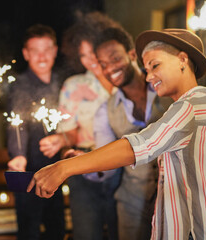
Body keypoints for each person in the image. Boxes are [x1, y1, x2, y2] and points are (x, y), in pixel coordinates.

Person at [28, 28, 206, 240]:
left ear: (183, 59)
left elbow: (138, 145)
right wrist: (83, 159)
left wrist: (63, 168)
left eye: (155, 65)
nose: (149, 77)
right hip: (146, 204)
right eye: (148, 69)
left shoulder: (187, 108)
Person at [38, 11, 121, 240]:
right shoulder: (73, 86)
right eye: (83, 55)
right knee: (86, 232)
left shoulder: (124, 80)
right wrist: (61, 140)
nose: (90, 59)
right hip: (82, 166)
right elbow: (70, 135)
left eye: (93, 51)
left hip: (123, 168)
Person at [92, 26, 172, 240]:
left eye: (115, 58)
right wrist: (83, 162)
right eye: (103, 64)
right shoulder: (105, 110)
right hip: (131, 202)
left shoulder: (168, 88)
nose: (110, 68)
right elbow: (106, 165)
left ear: (131, 55)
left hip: (174, 197)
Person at [6, 24, 65, 240]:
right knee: (29, 230)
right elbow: (16, 123)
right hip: (30, 172)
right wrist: (18, 155)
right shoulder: (21, 85)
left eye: (47, 49)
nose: (42, 56)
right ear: (25, 54)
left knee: (56, 227)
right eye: (35, 50)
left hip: (60, 169)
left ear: (55, 51)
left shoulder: (63, 83)